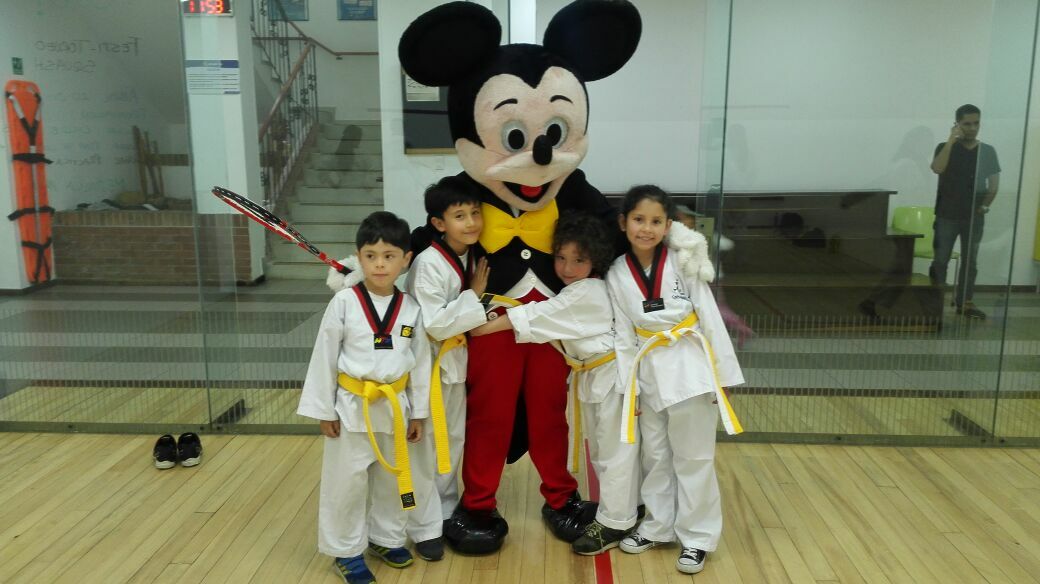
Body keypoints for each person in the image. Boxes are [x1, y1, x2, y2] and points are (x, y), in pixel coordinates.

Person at [469, 212, 640, 555]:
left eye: (578, 260)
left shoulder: (588, 291)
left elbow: (535, 315)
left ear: (595, 260)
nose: (567, 268)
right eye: (560, 258)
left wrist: (479, 326)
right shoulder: (582, 287)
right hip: (594, 377)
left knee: (614, 453)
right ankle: (631, 510)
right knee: (605, 452)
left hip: (614, 378)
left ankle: (616, 522)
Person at [606, 185, 744, 575]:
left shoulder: (683, 261)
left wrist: (722, 375)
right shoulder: (616, 272)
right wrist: (628, 388)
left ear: (667, 226)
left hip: (691, 367)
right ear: (623, 223)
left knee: (694, 456)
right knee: (655, 456)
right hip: (648, 370)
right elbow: (622, 336)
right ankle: (658, 526)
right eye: (638, 220)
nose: (646, 229)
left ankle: (698, 537)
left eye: (655, 221)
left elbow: (709, 316)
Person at [297, 211, 431, 584]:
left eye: (389, 256)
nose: (380, 264)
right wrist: (324, 409)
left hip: (395, 408)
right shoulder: (344, 302)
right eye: (371, 256)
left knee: (393, 477)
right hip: (351, 408)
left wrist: (419, 412)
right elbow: (324, 355)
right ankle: (346, 551)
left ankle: (386, 539)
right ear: (358, 258)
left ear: (406, 259)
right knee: (346, 483)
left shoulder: (411, 308)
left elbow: (420, 363)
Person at [401, 177, 491, 561]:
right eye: (459, 216)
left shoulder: (469, 254)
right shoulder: (428, 263)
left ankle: (446, 511)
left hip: (454, 363)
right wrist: (474, 295)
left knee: (452, 440)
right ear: (439, 223)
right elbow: (436, 324)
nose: (470, 222)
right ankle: (422, 525)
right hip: (429, 367)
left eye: (474, 213)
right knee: (429, 445)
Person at [930, 103, 1000, 319]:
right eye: (967, 124)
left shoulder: (987, 151)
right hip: (946, 214)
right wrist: (951, 140)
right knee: (940, 260)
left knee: (970, 262)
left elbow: (994, 184)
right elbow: (937, 168)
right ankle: (933, 303)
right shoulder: (944, 146)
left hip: (974, 216)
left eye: (976, 123)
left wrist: (984, 206)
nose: (972, 128)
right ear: (957, 124)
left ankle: (965, 303)